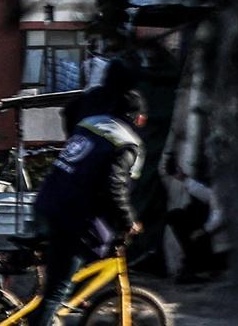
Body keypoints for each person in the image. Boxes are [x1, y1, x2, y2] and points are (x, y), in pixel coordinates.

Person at [28, 89, 148, 325]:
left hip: (45, 203)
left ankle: (58, 304)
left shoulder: (90, 125)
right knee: (56, 290)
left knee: (78, 256)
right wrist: (127, 221)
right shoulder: (126, 144)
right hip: (70, 216)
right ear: (138, 119)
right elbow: (114, 187)